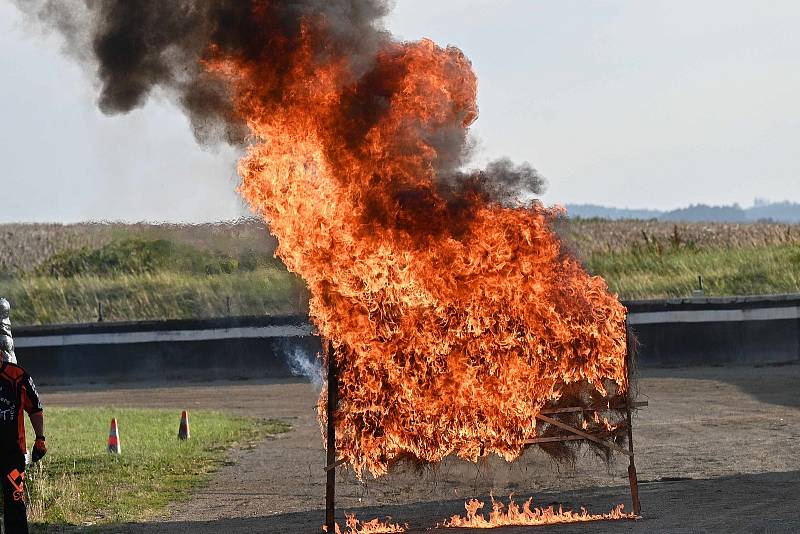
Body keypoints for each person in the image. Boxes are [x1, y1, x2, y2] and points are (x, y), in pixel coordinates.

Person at [1, 342, 46, 533]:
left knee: (15, 501)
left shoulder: (18, 376)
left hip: (13, 454)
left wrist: (40, 439)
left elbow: (35, 409)